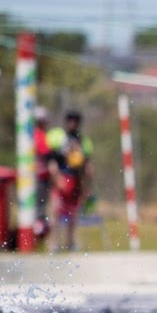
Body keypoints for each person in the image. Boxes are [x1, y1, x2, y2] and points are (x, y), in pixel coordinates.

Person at [46, 110, 92, 252]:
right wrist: (57, 178)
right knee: (55, 211)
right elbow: (52, 162)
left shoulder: (83, 141)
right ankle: (53, 243)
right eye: (70, 120)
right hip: (61, 178)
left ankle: (70, 242)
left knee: (73, 214)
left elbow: (87, 167)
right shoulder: (59, 139)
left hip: (75, 181)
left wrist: (86, 187)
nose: (72, 123)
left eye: (75, 120)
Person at [32, 106, 52, 243]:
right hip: (38, 177)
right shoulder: (38, 135)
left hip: (43, 177)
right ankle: (37, 234)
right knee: (39, 207)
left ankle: (40, 233)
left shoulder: (40, 135)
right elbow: (46, 154)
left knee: (42, 206)